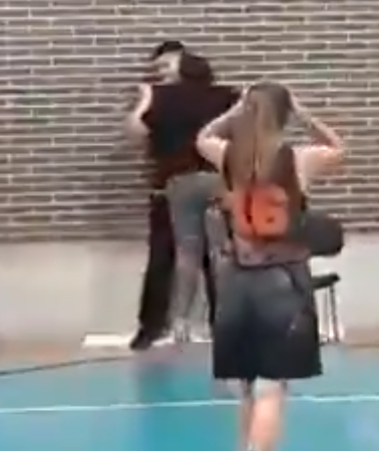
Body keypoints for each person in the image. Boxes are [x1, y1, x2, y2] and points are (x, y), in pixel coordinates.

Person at [195, 82, 345, 451]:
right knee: (270, 389)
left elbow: (202, 137)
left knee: (247, 387)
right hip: (283, 280)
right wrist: (304, 112)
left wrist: (235, 110)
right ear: (284, 114)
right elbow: (339, 148)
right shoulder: (296, 159)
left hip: (235, 281)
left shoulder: (227, 154)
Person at [151, 53, 239, 342]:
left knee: (186, 254)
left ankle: (180, 324)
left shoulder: (163, 98)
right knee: (220, 253)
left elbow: (149, 131)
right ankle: (222, 322)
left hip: (180, 180)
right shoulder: (227, 97)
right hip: (218, 177)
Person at [125, 40, 187, 350]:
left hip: (205, 189)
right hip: (166, 189)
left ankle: (224, 324)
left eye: (169, 66)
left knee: (214, 259)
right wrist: (145, 101)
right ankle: (150, 327)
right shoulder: (157, 99)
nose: (163, 73)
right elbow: (137, 132)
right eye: (158, 69)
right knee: (161, 259)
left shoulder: (209, 97)